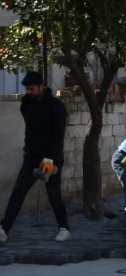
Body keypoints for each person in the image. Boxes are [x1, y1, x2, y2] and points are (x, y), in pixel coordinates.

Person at [0, 71, 70, 243]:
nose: (29, 92)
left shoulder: (55, 106)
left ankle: (64, 228)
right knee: (18, 192)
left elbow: (58, 134)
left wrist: (51, 159)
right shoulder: (26, 104)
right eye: (27, 89)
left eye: (32, 89)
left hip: (51, 156)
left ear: (41, 86)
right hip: (31, 156)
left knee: (53, 195)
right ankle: (4, 229)